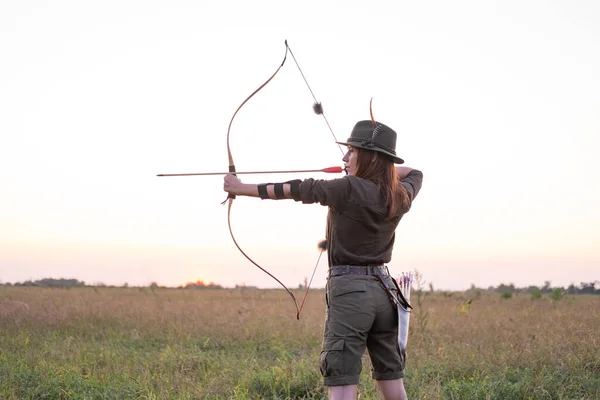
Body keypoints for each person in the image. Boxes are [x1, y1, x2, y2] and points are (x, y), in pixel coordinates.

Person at [223, 115, 423, 400]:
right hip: (385, 294)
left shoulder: (347, 189)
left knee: (341, 380)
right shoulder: (400, 195)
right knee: (392, 380)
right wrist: (383, 171)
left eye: (352, 151)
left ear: (369, 156)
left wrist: (240, 188)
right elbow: (416, 173)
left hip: (351, 292)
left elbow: (297, 189)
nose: (346, 156)